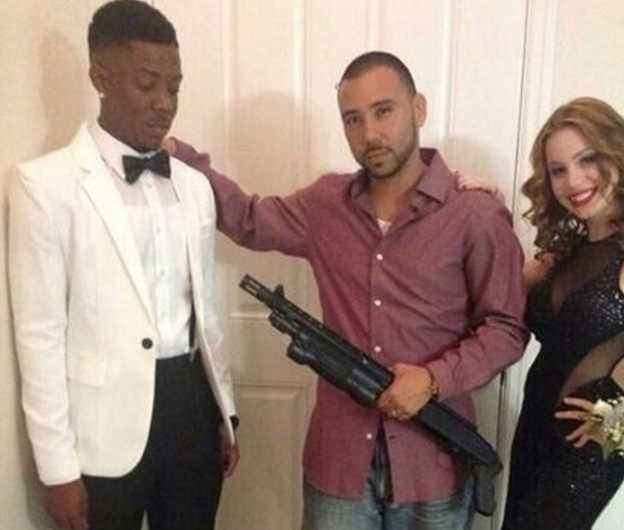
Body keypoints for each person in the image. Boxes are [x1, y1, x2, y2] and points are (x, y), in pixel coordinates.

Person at [167, 51, 529, 529]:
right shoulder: (325, 205)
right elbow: (249, 219)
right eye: (352, 119)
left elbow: (506, 330)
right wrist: (178, 157)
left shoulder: (474, 214)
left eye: (384, 111)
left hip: (435, 466)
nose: (369, 133)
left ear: (418, 108)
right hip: (339, 465)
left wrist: (433, 379)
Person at [8, 2, 239, 529]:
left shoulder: (194, 186)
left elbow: (205, 310)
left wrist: (223, 412)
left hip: (192, 407)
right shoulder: (44, 187)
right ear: (100, 77)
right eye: (147, 84)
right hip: (103, 430)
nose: (164, 103)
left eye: (174, 88)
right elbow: (39, 336)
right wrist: (56, 469)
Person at [459, 96, 624, 529]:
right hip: (534, 429)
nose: (573, 180)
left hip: (586, 451)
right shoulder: (566, 249)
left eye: (588, 160)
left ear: (617, 154)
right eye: (558, 169)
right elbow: (500, 289)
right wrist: (489, 214)